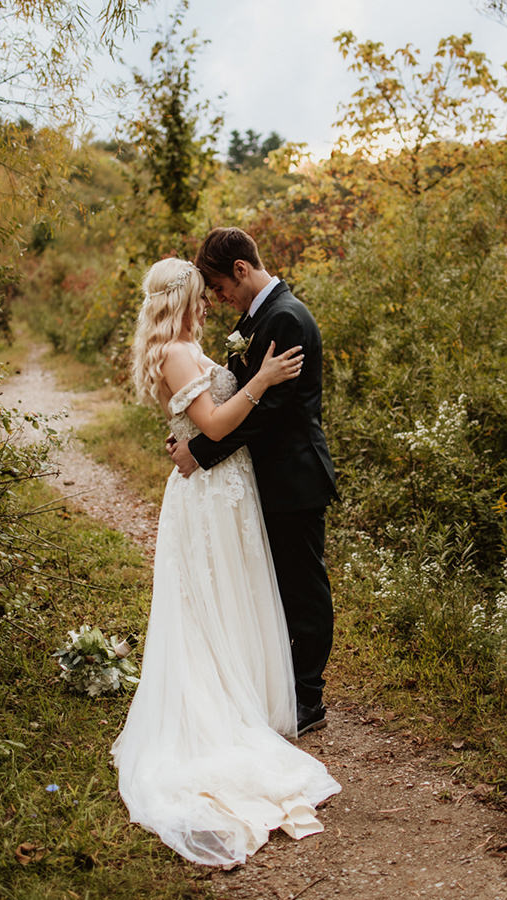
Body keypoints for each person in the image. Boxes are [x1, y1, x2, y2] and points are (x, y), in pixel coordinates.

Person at [111, 256, 340, 867]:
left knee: (236, 591)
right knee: (215, 597)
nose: (211, 302)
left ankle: (254, 693)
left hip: (225, 489)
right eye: (202, 294)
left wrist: (198, 431)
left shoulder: (184, 347)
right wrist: (260, 380)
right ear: (182, 297)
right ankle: (232, 705)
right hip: (211, 495)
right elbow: (213, 418)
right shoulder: (180, 354)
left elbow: (200, 421)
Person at [168, 227, 338, 737]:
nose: (218, 298)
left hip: (294, 476)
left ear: (241, 270)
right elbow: (238, 397)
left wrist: (200, 452)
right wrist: (187, 434)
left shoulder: (285, 317)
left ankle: (308, 698)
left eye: (219, 287)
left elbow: (272, 415)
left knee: (304, 590)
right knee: (277, 587)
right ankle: (282, 686)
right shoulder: (259, 317)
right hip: (265, 476)